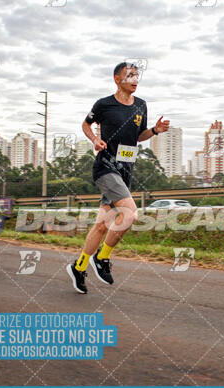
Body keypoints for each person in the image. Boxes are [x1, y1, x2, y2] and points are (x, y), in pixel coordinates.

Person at [67, 62, 170, 293]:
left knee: (102, 226)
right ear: (117, 79)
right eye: (130, 75)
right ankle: (102, 258)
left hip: (125, 169)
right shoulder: (104, 104)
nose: (135, 80)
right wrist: (94, 139)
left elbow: (139, 135)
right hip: (105, 167)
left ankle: (79, 266)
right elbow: (86, 123)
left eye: (137, 76)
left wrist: (154, 130)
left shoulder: (141, 105)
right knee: (130, 213)